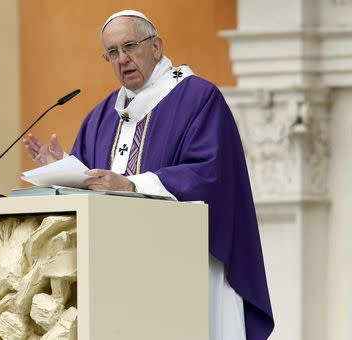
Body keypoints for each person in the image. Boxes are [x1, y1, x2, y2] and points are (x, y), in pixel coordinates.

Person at [23, 9, 274, 340]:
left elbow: (211, 175)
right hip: (119, 269)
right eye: (112, 53)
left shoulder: (198, 98)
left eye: (130, 46)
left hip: (187, 263)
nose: (122, 59)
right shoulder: (102, 116)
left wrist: (132, 185)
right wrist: (64, 170)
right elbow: (93, 187)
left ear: (156, 46)